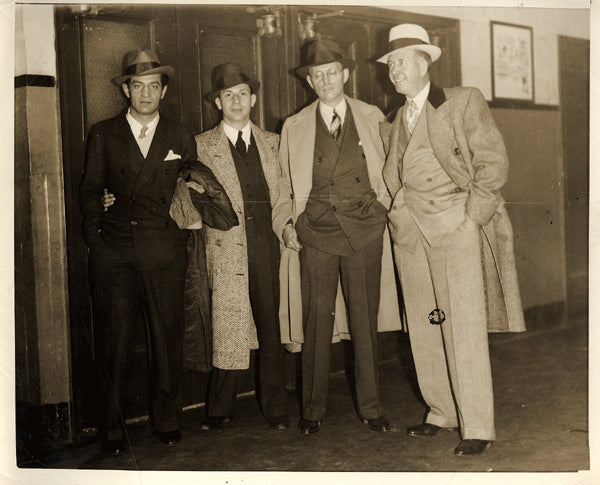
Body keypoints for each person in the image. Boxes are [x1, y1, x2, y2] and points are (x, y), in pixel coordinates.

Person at [377, 24, 526, 455]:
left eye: (402, 62)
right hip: (410, 235)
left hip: (455, 227)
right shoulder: (393, 119)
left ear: (425, 62)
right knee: (426, 327)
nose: (394, 71)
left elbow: (492, 164)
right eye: (390, 64)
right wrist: (397, 213)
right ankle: (440, 411)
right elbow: (393, 176)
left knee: (463, 328)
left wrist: (470, 219)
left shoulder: (461, 101)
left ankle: (477, 424)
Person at [272, 39, 401, 435]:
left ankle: (372, 407)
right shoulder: (293, 126)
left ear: (345, 75)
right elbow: (281, 185)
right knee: (316, 322)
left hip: (365, 230)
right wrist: (286, 225)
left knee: (365, 322)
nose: (325, 80)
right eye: (317, 75)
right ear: (309, 82)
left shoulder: (372, 115)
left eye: (332, 72)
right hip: (315, 233)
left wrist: (382, 211)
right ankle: (311, 410)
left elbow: (393, 169)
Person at [80, 49, 197, 453]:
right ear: (126, 90)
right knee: (116, 342)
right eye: (137, 86)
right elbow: (91, 192)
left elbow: (191, 191)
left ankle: (166, 419)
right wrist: (97, 241)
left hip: (164, 252)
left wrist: (181, 231)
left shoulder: (181, 134)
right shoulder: (104, 132)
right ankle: (113, 429)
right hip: (116, 252)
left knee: (167, 341)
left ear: (163, 91)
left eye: (153, 86)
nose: (145, 94)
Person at [196, 63, 289, 431]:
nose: (236, 101)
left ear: (253, 99)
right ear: (218, 102)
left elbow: (286, 193)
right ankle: (219, 409)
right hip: (226, 248)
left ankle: (276, 407)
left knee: (270, 326)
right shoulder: (201, 145)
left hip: (268, 244)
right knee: (229, 325)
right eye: (228, 95)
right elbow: (185, 199)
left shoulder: (273, 142)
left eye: (242, 93)